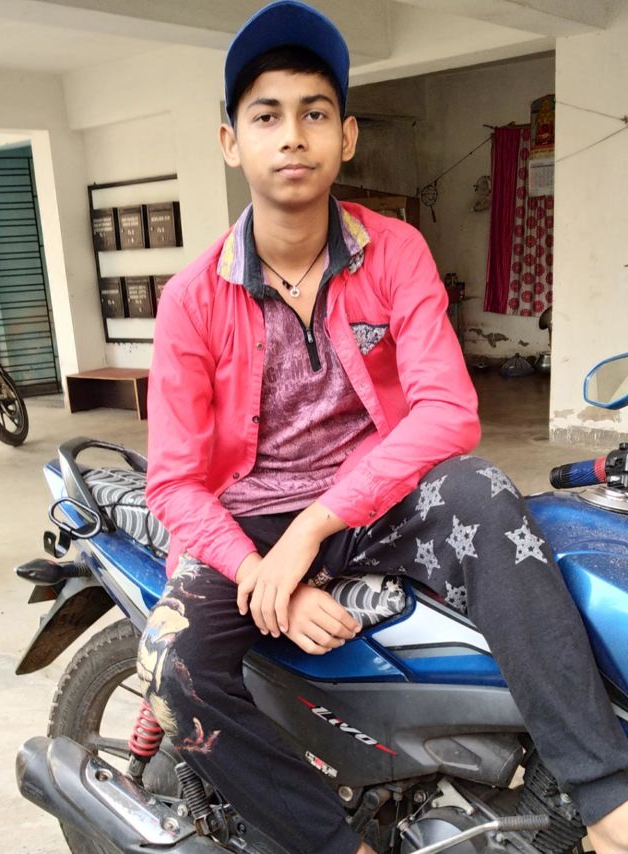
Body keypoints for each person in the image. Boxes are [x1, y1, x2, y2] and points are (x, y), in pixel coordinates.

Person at [138, 3, 628, 852]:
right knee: (173, 669)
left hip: (377, 501)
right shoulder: (192, 298)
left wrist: (315, 527)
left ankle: (605, 795)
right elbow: (174, 481)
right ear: (231, 142)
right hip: (249, 521)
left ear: (347, 137)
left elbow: (449, 410)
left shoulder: (394, 251)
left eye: (314, 113)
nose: (293, 137)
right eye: (266, 117)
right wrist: (263, 572)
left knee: (485, 491)